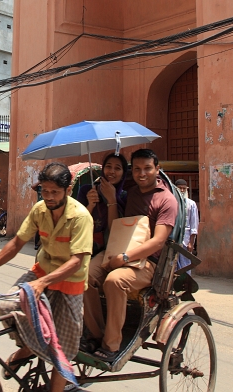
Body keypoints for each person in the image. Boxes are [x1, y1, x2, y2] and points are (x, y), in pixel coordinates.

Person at [0, 163, 93, 392]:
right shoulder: (39, 210)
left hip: (69, 283)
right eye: (45, 191)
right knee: (8, 306)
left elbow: (77, 261)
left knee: (61, 350)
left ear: (69, 189)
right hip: (41, 272)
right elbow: (17, 242)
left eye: (55, 192)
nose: (49, 197)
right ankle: (27, 348)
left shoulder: (81, 217)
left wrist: (42, 283)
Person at [83, 149, 178, 362]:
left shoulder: (167, 200)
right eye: (137, 169)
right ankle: (96, 334)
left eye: (147, 168)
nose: (142, 173)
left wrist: (124, 258)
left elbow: (158, 240)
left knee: (114, 281)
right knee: (84, 275)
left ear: (157, 169)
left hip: (148, 262)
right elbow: (120, 225)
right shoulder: (133, 193)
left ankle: (111, 345)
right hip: (121, 248)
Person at [76, 153, 129, 255]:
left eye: (117, 168)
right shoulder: (87, 190)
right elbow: (77, 223)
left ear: (123, 174)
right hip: (84, 246)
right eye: (108, 166)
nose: (112, 171)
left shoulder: (125, 197)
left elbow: (115, 230)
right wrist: (90, 205)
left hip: (112, 250)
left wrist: (112, 199)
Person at [175, 179, 199, 270]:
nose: (181, 190)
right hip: (174, 238)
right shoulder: (172, 202)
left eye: (184, 188)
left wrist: (191, 242)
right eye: (179, 188)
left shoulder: (191, 204)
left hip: (186, 238)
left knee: (185, 263)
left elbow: (194, 224)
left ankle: (185, 282)